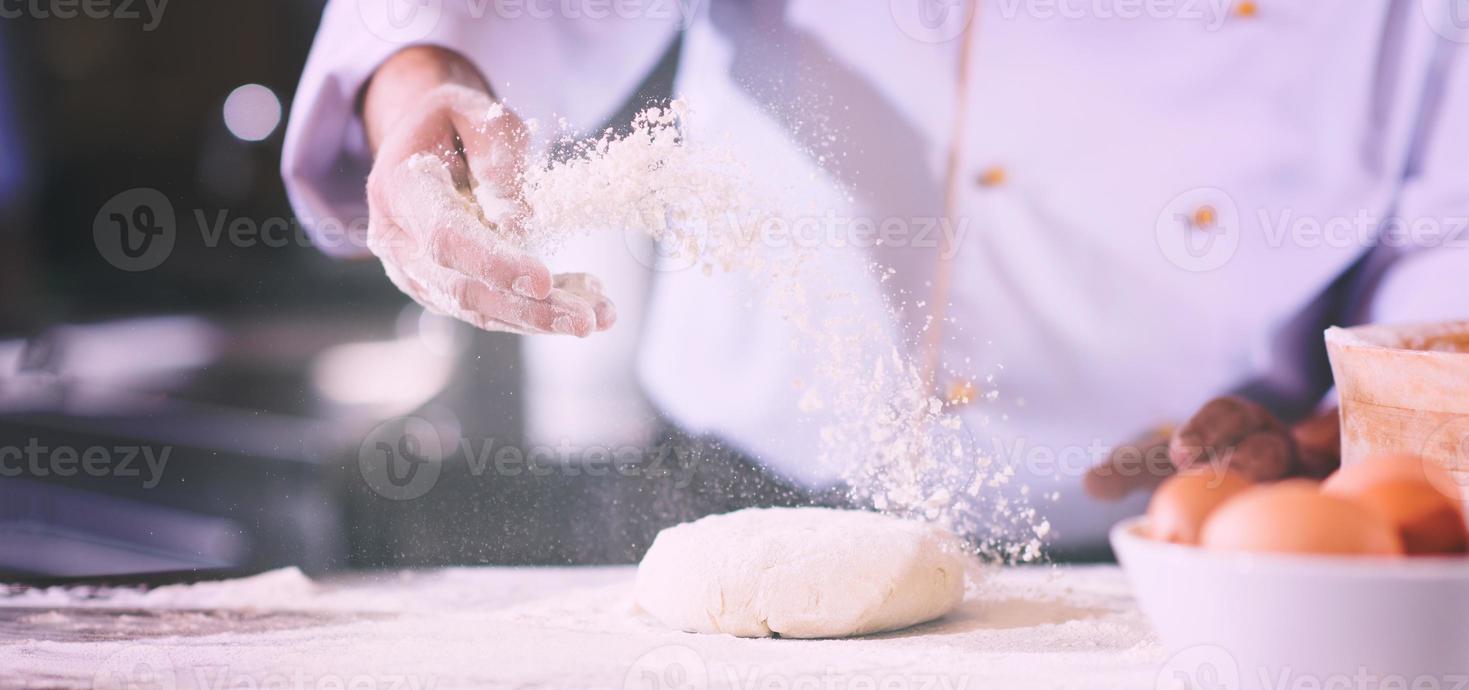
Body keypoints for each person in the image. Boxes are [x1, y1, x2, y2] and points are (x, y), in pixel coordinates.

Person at [282, 1, 1469, 554]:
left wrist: (1331, 451)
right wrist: (421, 90)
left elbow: (1445, 249)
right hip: (736, 506)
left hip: (1171, 553)